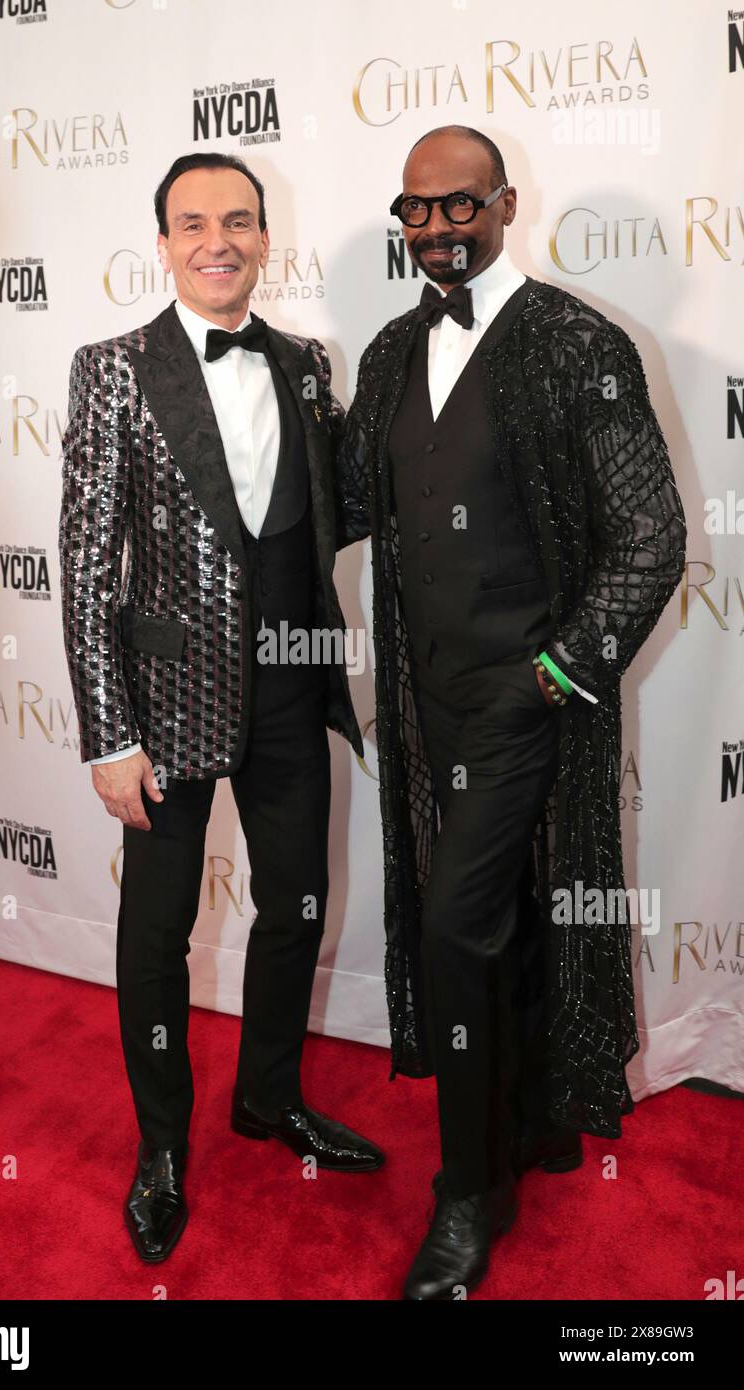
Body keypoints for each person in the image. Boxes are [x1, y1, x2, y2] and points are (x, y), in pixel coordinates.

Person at [336, 125, 687, 1299]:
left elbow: (651, 534)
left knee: (453, 929)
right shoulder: (387, 353)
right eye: (416, 210)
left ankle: (467, 1193)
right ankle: (531, 1115)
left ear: (502, 205)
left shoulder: (576, 342)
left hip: (526, 700)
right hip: (423, 702)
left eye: (459, 206)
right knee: (497, 919)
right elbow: (339, 498)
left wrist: (561, 671)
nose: (437, 229)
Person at [59, 151, 383, 1266]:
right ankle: (159, 1147)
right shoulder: (110, 369)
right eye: (192, 223)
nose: (216, 240)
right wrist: (109, 734)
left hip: (292, 686)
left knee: (294, 905)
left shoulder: (306, 364)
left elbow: (326, 517)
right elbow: (86, 563)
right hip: (165, 704)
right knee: (157, 936)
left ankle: (268, 1095)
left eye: (237, 221)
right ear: (161, 243)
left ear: (262, 235)